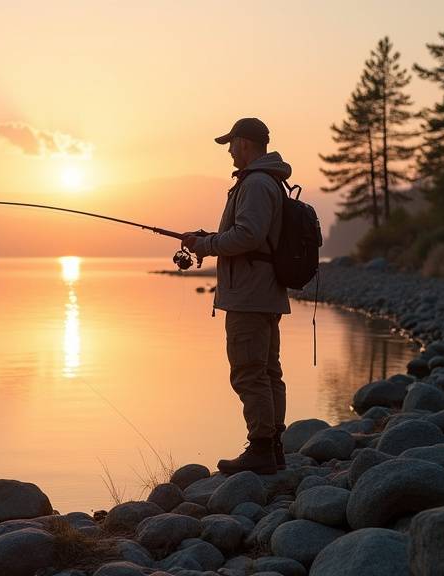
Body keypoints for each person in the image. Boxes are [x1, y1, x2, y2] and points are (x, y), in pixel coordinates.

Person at [182, 117, 292, 475]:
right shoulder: (265, 181)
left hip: (250, 295)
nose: (229, 150)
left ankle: (261, 448)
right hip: (262, 292)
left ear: (245, 143)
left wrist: (209, 245)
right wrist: (206, 237)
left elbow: (248, 236)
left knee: (248, 372)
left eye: (231, 143)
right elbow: (246, 234)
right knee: (267, 371)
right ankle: (273, 447)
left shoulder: (257, 183)